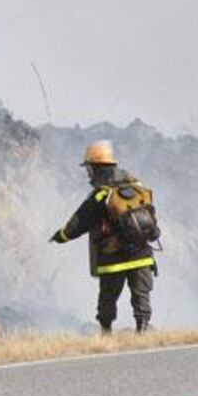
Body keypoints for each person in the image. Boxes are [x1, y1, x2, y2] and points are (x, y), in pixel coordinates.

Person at [49, 141, 159, 334]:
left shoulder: (102, 195)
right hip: (142, 255)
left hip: (113, 258)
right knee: (141, 296)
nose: (88, 174)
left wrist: (60, 236)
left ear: (97, 168)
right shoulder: (138, 187)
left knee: (108, 298)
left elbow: (79, 222)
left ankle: (106, 332)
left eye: (89, 169)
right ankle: (142, 329)